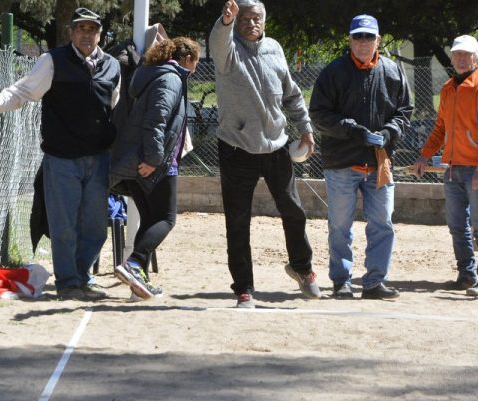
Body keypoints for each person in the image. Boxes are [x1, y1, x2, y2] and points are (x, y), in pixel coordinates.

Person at [0, 7, 121, 301]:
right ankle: (68, 283)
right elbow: (22, 92)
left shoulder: (112, 66)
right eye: (81, 29)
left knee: (94, 227)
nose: (86, 34)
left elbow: (116, 107)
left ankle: (82, 276)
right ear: (70, 32)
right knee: (63, 226)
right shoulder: (52, 61)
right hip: (61, 159)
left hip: (100, 158)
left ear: (100, 34)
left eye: (92, 29)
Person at [210, 0, 320, 308]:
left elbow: (292, 94)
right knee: (238, 220)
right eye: (243, 18)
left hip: (276, 146)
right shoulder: (227, 50)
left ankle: (302, 267)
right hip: (236, 148)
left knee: (294, 211)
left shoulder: (275, 49)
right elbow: (218, 39)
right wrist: (225, 21)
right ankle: (243, 288)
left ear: (264, 22)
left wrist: (306, 128)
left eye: (255, 18)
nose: (250, 22)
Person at [309, 15, 412, 299]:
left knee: (383, 224)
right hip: (342, 163)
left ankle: (374, 282)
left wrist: (390, 133)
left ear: (378, 40)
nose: (363, 42)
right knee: (340, 227)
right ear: (350, 40)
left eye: (369, 37)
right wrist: (352, 131)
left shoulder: (393, 72)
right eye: (358, 37)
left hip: (380, 163)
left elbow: (404, 111)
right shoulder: (333, 72)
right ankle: (342, 281)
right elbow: (318, 113)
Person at [109, 37, 199, 300]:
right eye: (195, 62)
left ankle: (140, 282)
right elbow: (155, 121)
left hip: (142, 161)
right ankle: (134, 263)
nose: (195, 69)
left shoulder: (155, 75)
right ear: (188, 60)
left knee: (149, 220)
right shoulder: (170, 79)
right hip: (154, 164)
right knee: (166, 219)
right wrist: (154, 159)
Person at [413, 35, 478, 297]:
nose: (462, 59)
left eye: (467, 55)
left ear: (476, 58)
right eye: (457, 55)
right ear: (452, 58)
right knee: (456, 225)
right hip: (452, 168)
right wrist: (424, 156)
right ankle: (466, 274)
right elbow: (441, 128)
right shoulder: (448, 89)